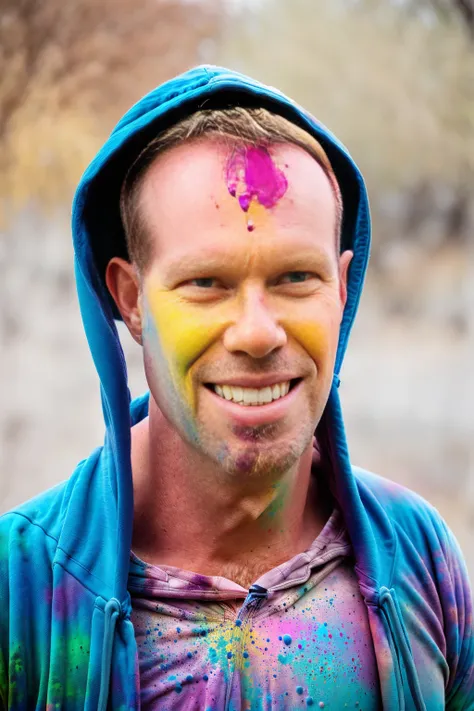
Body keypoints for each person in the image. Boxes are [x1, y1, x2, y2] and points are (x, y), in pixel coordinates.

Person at [0, 65, 472, 711]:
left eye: (295, 277)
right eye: (206, 284)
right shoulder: (21, 586)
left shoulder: (421, 559)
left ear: (341, 288)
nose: (257, 332)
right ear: (131, 300)